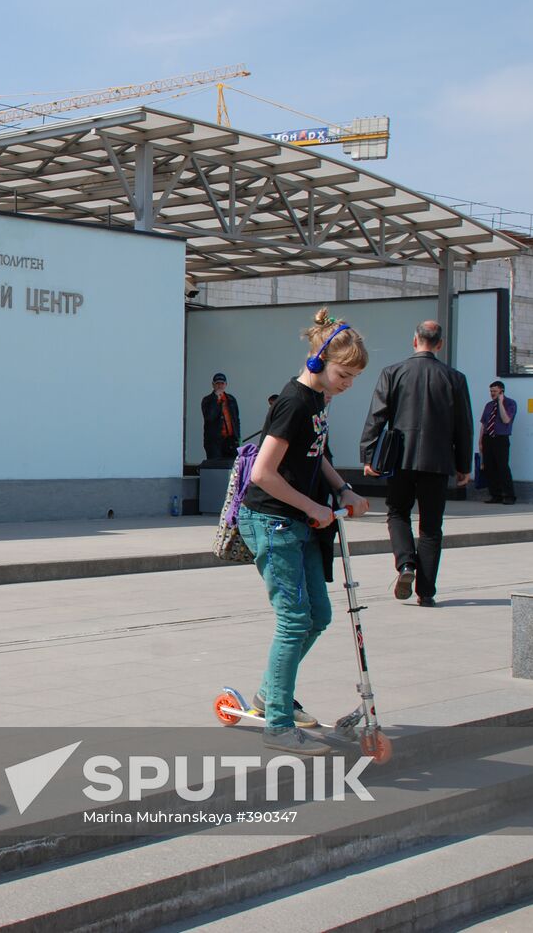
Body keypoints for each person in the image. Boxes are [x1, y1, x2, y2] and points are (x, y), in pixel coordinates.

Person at [238, 309, 370, 755]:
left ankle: (269, 694)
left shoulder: (318, 400)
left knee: (317, 616)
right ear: (317, 361)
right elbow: (262, 473)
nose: (347, 384)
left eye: (354, 378)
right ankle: (277, 724)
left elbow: (317, 453)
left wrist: (342, 489)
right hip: (273, 521)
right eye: (343, 375)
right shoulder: (294, 402)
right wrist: (313, 505)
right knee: (294, 620)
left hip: (300, 522)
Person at [360, 320, 472, 608]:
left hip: (400, 459)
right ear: (440, 344)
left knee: (397, 513)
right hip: (438, 461)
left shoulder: (393, 372)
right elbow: (464, 425)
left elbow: (377, 416)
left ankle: (406, 563)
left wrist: (369, 455)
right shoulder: (455, 378)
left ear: (414, 341)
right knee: (431, 526)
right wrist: (464, 466)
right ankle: (426, 592)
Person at [479, 380, 517, 505]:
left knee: (502, 467)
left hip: (501, 438)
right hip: (488, 438)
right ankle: (495, 495)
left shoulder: (510, 403)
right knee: (489, 467)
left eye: (495, 391)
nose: (492, 393)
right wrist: (480, 441)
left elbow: (506, 420)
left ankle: (509, 495)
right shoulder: (488, 405)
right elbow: (484, 424)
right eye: (491, 391)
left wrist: (500, 402)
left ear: (501, 391)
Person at [201, 372, 241, 460]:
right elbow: (209, 417)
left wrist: (238, 438)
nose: (220, 386)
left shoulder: (231, 399)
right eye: (217, 383)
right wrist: (216, 399)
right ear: (213, 385)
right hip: (214, 442)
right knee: (215, 465)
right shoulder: (207, 400)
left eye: (222, 383)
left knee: (232, 465)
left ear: (226, 384)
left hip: (230, 440)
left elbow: (236, 420)